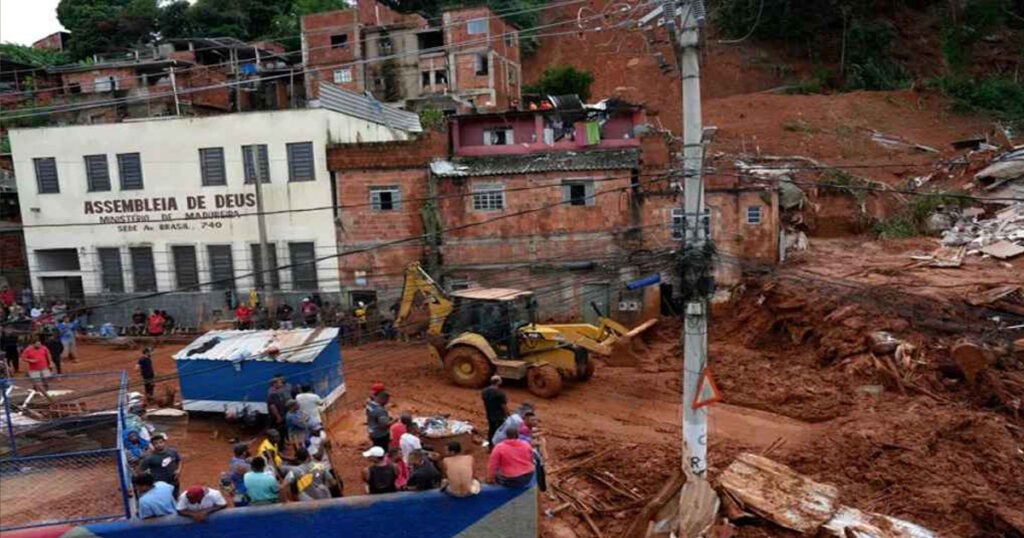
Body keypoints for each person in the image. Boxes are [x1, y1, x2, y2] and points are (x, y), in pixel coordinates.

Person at [140, 433, 183, 497]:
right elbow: (141, 470)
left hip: (174, 481)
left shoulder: (172, 451)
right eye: (156, 443)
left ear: (164, 442)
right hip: (159, 484)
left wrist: (178, 470)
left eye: (160, 442)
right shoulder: (149, 457)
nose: (159, 445)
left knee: (175, 497)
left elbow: (179, 460)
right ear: (152, 445)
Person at [481, 376, 508, 449]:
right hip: (499, 415)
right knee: (500, 431)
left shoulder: (484, 391)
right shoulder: (500, 393)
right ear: (498, 382)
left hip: (489, 413)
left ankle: (491, 446)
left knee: (491, 429)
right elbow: (503, 405)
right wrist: (507, 415)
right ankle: (499, 447)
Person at [225, 443, 251, 507]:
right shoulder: (243, 465)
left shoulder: (233, 460)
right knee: (245, 508)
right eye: (247, 450)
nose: (249, 451)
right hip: (242, 489)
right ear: (244, 453)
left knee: (239, 506)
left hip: (236, 488)